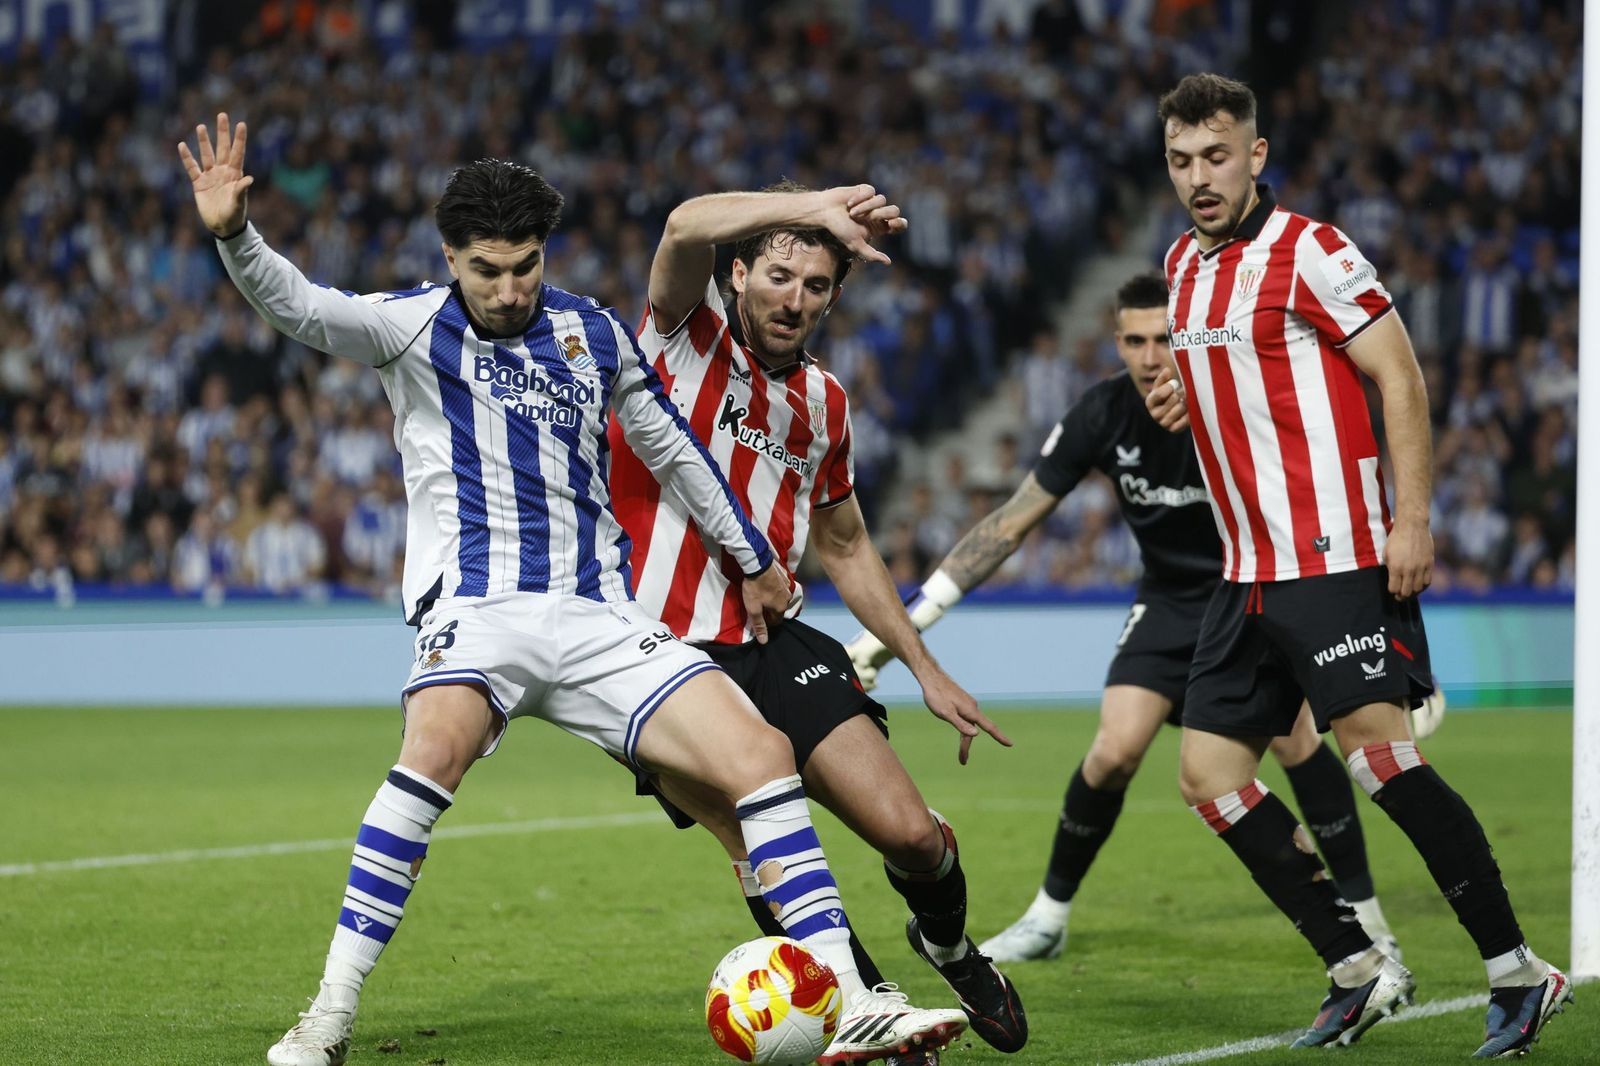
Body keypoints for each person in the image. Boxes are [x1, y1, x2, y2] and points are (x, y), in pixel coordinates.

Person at [179, 114, 965, 1066]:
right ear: (451, 259)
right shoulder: (409, 329)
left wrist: (751, 553)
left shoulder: (591, 333)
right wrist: (234, 235)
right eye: (486, 269)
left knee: (761, 753)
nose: (508, 290)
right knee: (431, 756)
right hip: (478, 614)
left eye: (525, 266)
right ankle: (328, 1018)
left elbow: (671, 445)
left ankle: (848, 996)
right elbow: (301, 307)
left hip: (600, 619)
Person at [1140, 74, 1569, 1053]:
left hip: (1332, 557)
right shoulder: (1178, 265)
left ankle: (1516, 969)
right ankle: (1359, 964)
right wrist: (1182, 401)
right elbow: (1228, 379)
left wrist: (1408, 521)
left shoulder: (1313, 250)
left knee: (1379, 760)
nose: (1198, 179)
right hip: (1243, 573)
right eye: (1179, 161)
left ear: (1254, 155)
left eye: (1216, 156)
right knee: (1208, 778)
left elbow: (1398, 373)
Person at [847, 272, 1415, 969]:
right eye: (1136, 340)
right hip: (1168, 600)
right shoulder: (1101, 414)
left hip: (1251, 592)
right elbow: (1009, 522)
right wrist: (908, 623)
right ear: (1116, 341)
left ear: (1190, 338)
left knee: (1296, 743)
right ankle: (1048, 917)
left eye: (1166, 339)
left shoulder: (1234, 407)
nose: (1151, 357)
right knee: (1114, 750)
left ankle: (1368, 919)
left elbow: (1319, 494)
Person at [606, 182, 1027, 1062]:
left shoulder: (826, 403)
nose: (793, 299)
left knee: (912, 835)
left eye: (815, 285)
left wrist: (924, 666)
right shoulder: (680, 342)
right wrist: (818, 208)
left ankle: (945, 945)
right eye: (778, 275)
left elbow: (845, 544)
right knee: (754, 833)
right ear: (739, 273)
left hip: (773, 643)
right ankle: (862, 1003)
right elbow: (681, 224)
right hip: (658, 658)